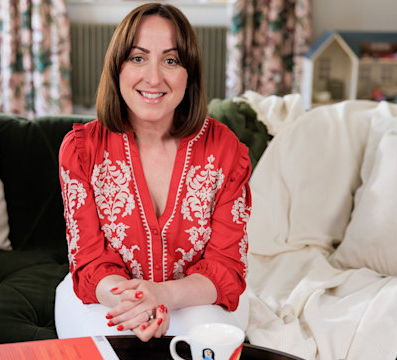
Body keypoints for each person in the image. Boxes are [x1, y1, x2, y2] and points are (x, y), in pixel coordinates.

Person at [55, 2, 251, 342]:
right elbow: (89, 259)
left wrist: (163, 296)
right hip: (109, 298)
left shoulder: (226, 150)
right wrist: (137, 302)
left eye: (171, 60)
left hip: (196, 299)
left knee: (205, 341)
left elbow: (225, 267)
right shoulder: (80, 149)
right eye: (137, 57)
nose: (154, 77)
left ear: (189, 75)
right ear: (117, 68)